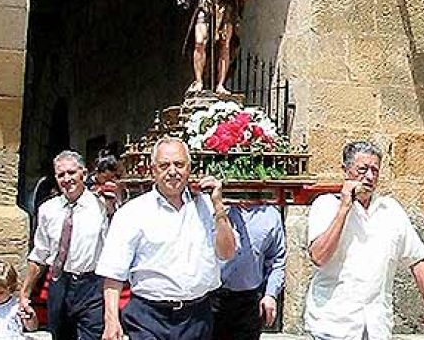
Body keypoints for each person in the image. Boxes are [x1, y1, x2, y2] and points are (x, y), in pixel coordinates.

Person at [95, 137, 236, 340]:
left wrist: (218, 207)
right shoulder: (131, 213)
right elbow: (113, 273)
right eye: (164, 165)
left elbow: (227, 253)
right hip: (148, 318)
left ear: (189, 168)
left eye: (179, 164)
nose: (172, 171)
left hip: (197, 317)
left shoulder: (208, 207)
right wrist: (111, 321)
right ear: (153, 170)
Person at [305, 141, 424, 340]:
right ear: (346, 171)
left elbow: (417, 260)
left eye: (375, 171)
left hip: (377, 327)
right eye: (362, 169)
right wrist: (344, 208)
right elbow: (319, 256)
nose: (369, 177)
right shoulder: (326, 206)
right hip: (334, 325)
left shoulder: (391, 210)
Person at [20, 150, 108, 340]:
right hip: (59, 284)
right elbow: (39, 254)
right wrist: (25, 293)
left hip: (91, 286)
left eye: (71, 173)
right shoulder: (47, 210)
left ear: (83, 174)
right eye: (61, 175)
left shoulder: (101, 207)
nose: (67, 179)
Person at [211, 204, 286, 340]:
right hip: (212, 299)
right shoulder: (213, 208)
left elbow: (276, 260)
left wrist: (270, 294)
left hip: (248, 302)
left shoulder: (271, 215)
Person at [0, 260, 37, 340]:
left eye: (1, 292)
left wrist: (30, 317)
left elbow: (32, 328)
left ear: (11, 288)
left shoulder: (17, 306)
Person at [87, 146, 127, 214]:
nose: (107, 181)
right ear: (97, 172)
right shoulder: (86, 185)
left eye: (111, 177)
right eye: (105, 178)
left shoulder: (114, 183)